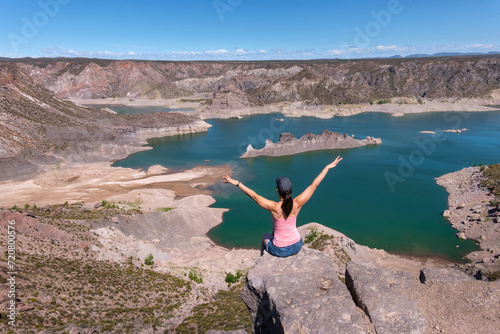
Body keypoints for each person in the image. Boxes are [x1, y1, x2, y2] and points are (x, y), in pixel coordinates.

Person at [223, 155, 343, 257]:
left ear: (277, 190)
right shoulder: (297, 203)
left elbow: (255, 196)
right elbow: (314, 185)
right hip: (297, 246)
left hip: (280, 250)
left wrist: (237, 183)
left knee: (265, 236)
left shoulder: (274, 207)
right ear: (290, 190)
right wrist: (327, 167)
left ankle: (263, 259)